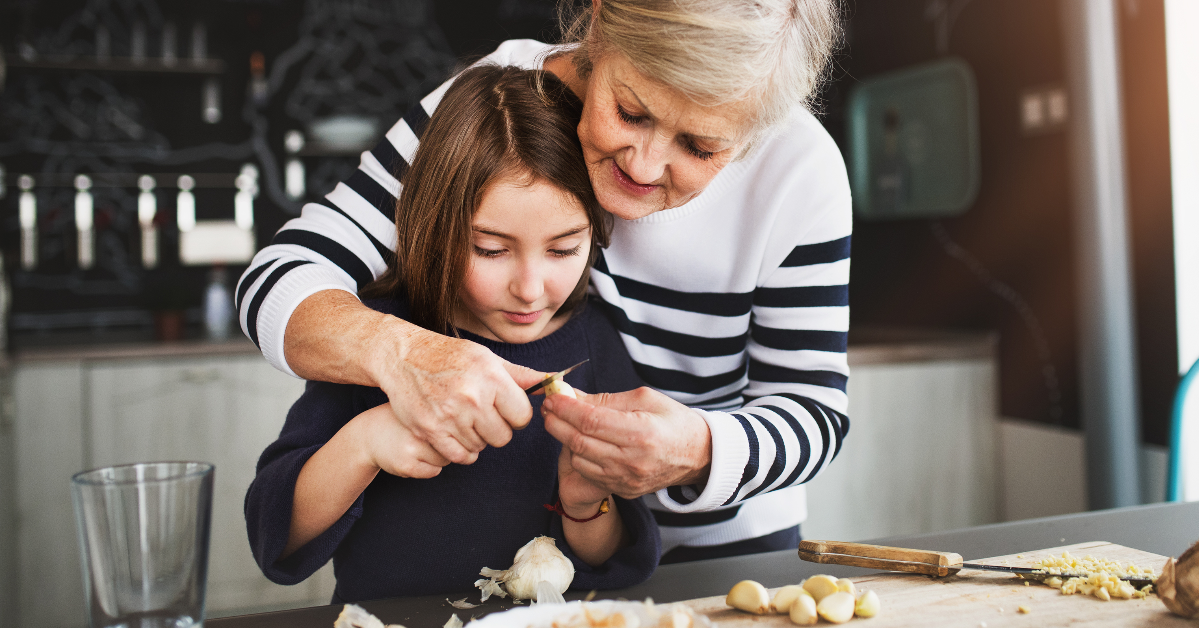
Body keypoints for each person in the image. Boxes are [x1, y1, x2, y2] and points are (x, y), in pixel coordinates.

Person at [238, 0, 849, 562]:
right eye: (630, 112)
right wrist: (403, 355)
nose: (643, 164)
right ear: (599, 25)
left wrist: (698, 450)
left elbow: (814, 411)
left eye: (701, 146)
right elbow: (277, 278)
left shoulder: (799, 170)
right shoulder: (501, 101)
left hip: (730, 547)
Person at [245, 65, 659, 602]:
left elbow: (617, 563)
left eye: (563, 249)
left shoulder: (597, 342)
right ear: (435, 227)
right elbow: (274, 537)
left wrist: (586, 505)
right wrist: (365, 444)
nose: (530, 289)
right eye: (490, 249)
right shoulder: (385, 342)